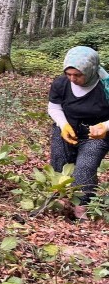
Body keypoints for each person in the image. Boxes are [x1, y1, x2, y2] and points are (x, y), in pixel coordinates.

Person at [48, 46, 109, 220]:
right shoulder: (61, 83)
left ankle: (83, 206)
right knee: (59, 163)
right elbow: (54, 106)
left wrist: (105, 126)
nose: (73, 79)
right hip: (67, 128)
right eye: (69, 74)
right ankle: (60, 200)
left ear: (90, 70)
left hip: (95, 135)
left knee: (84, 168)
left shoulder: (106, 86)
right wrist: (63, 125)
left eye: (78, 75)